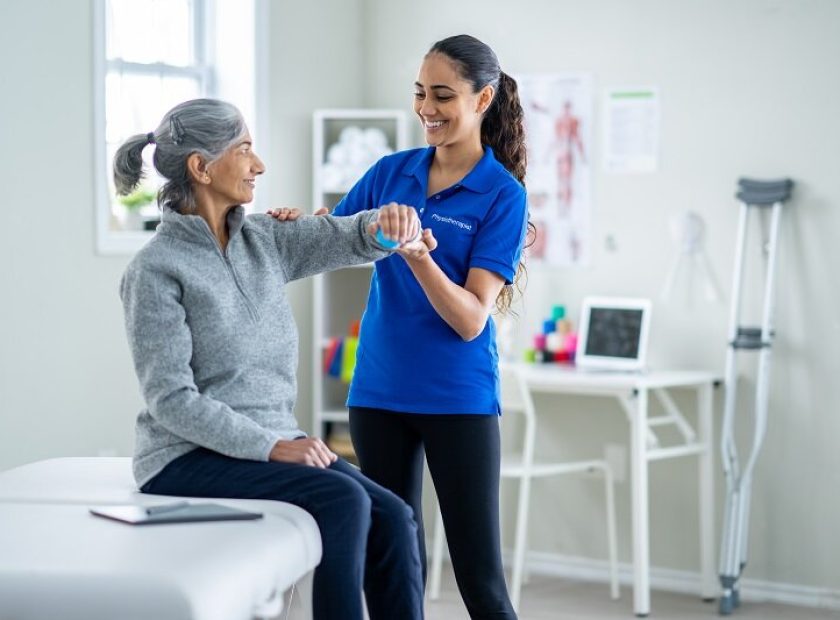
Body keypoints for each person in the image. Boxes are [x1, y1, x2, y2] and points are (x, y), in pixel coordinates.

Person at [114, 98, 427, 620]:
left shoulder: (263, 239)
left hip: (268, 439)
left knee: (394, 517)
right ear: (201, 167)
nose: (258, 164)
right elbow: (171, 400)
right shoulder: (155, 271)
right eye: (244, 149)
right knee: (344, 501)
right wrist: (274, 447)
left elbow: (346, 235)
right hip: (184, 456)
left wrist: (387, 226)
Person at [330, 34, 533, 620]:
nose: (426, 108)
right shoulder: (390, 172)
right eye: (420, 93)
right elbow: (333, 243)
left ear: (483, 99)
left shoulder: (502, 194)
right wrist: (296, 225)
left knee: (480, 581)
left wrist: (419, 256)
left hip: (457, 398)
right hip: (378, 391)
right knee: (392, 567)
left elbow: (471, 319)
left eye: (443, 95)